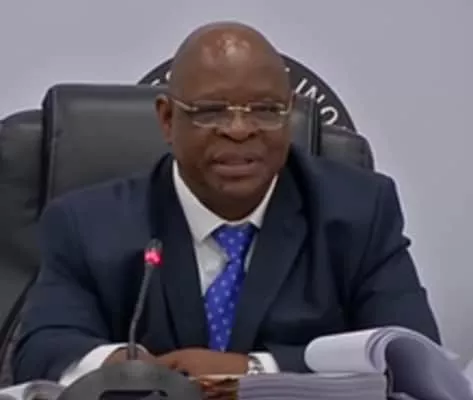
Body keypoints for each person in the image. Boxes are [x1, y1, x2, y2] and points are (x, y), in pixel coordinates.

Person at [13, 21, 440, 384]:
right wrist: (122, 367)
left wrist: (252, 371)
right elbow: (41, 351)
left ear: (289, 114)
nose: (239, 130)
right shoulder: (88, 224)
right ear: (167, 118)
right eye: (212, 110)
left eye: (266, 110)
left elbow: (413, 360)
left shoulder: (358, 212)